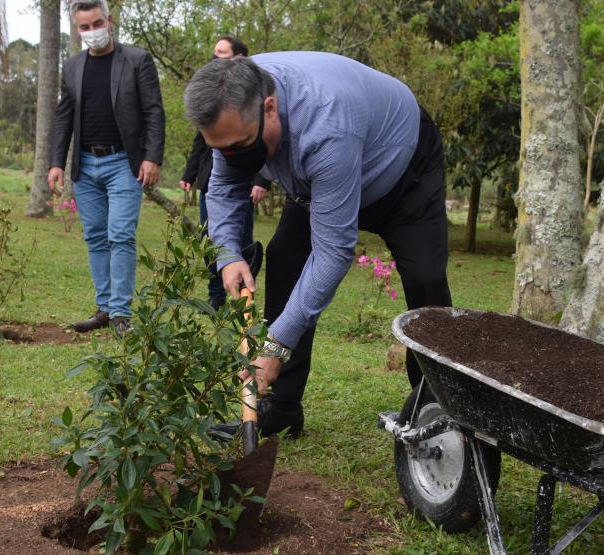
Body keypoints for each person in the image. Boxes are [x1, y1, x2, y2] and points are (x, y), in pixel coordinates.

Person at [184, 53, 451, 437]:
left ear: (269, 108)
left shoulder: (326, 125)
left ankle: (438, 409)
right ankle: (282, 406)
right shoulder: (230, 104)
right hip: (315, 179)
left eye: (241, 145)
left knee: (426, 280)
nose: (233, 157)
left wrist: (275, 345)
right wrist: (227, 253)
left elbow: (333, 252)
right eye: (221, 148)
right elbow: (224, 185)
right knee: (285, 260)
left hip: (402, 170)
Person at [47, 0, 165, 337]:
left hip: (123, 163)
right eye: (84, 27)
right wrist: (56, 162)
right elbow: (64, 116)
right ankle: (104, 308)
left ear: (109, 21)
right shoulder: (72, 66)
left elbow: (154, 111)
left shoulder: (137, 60)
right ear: (77, 29)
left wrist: (152, 157)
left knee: (121, 235)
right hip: (85, 164)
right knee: (96, 236)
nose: (92, 31)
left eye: (96, 24)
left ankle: (121, 314)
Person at [179, 36, 269, 310]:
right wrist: (189, 174)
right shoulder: (209, 98)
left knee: (242, 238)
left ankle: (245, 295)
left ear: (239, 58)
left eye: (222, 54)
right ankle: (217, 293)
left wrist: (261, 180)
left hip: (243, 182)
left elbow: (265, 146)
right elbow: (199, 143)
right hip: (213, 179)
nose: (216, 59)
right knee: (214, 237)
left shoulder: (254, 95)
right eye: (214, 54)